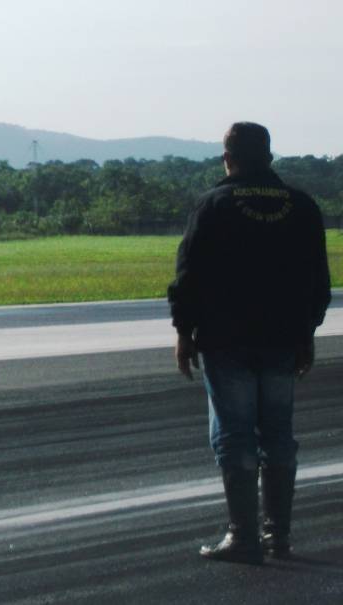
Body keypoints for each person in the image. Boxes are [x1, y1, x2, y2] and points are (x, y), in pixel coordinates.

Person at [168, 122, 331, 565]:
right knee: (278, 435)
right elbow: (319, 282)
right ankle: (279, 537)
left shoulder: (213, 204)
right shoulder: (301, 206)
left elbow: (188, 278)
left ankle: (244, 537)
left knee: (235, 435)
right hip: (282, 341)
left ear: (228, 158)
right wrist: (307, 333)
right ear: (270, 157)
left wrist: (184, 332)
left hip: (226, 340)